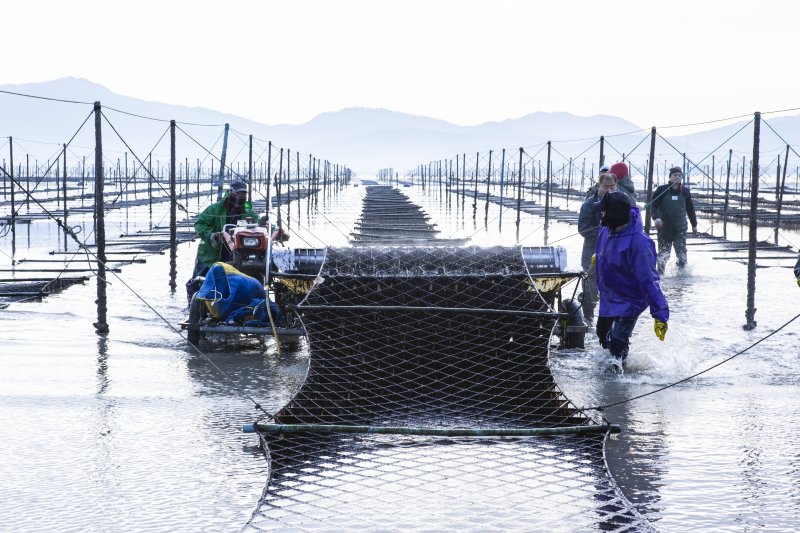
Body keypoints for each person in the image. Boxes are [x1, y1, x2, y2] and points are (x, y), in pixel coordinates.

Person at [595, 191, 669, 365]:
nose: (602, 215)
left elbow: (649, 280)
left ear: (615, 215)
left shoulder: (638, 243)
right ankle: (608, 369)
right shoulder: (607, 229)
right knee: (602, 334)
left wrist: (660, 314)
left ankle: (619, 380)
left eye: (605, 212)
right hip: (610, 295)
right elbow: (602, 248)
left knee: (617, 341)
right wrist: (598, 258)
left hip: (630, 298)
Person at [186, 180, 258, 303]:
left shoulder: (249, 213)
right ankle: (194, 306)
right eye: (239, 194)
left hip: (236, 254)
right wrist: (211, 236)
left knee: (235, 281)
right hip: (211, 254)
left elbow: (259, 224)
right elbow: (199, 224)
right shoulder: (214, 210)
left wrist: (276, 230)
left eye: (244, 194)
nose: (241, 197)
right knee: (200, 281)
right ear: (231, 193)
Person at [578, 172, 617, 324]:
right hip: (592, 252)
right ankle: (587, 318)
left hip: (614, 252)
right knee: (590, 288)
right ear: (598, 186)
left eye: (612, 187)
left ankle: (611, 319)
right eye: (605, 187)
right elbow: (583, 228)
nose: (609, 190)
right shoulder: (589, 205)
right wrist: (602, 232)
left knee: (613, 287)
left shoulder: (620, 202)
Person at [651, 166, 698, 275]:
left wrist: (694, 224)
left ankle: (681, 278)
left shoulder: (685, 191)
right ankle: (660, 277)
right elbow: (653, 207)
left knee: (681, 254)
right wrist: (656, 218)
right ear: (670, 177)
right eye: (675, 175)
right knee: (664, 255)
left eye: (679, 175)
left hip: (680, 228)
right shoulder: (661, 190)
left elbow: (690, 209)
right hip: (664, 228)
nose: (677, 177)